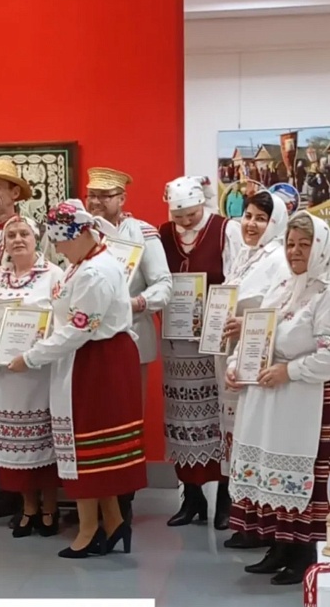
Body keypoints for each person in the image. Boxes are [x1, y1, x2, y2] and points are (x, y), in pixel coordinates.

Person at [8, 199, 146, 558]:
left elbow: (79, 329)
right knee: (85, 445)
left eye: (62, 241)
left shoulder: (95, 273)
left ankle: (88, 529)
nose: (59, 249)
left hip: (98, 362)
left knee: (86, 446)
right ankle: (113, 521)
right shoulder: (82, 264)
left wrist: (31, 357)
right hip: (87, 358)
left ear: (80, 235)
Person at [226, 211, 330, 586]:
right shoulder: (284, 284)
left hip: (305, 398)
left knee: (300, 476)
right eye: (290, 244)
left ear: (321, 247)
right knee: (269, 471)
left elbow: (328, 355)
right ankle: (280, 546)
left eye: (304, 244)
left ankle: (304, 554)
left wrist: (289, 371)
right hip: (269, 398)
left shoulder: (326, 292)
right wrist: (236, 365)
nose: (294, 251)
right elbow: (258, 330)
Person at [0, 158, 54, 519]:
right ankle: (16, 503)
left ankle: (47, 507)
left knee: (42, 437)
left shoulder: (50, 261)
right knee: (0, 434)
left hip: (35, 368)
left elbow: (59, 315)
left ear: (15, 193)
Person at [159, 176, 242, 529]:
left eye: (191, 215)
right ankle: (191, 497)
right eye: (178, 216)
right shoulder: (164, 234)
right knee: (182, 417)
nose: (184, 221)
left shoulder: (225, 230)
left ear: (202, 205)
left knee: (218, 417)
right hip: (178, 342)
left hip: (214, 341)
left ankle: (225, 499)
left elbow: (237, 277)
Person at [216, 191, 289, 547]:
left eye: (261, 218)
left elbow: (279, 312)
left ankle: (262, 526)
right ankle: (246, 521)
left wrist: (245, 324)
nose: (251, 224)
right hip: (234, 357)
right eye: (247, 215)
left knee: (255, 438)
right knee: (239, 438)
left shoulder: (279, 260)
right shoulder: (246, 255)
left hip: (260, 361)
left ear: (276, 223)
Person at [85, 167, 172, 403]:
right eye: (92, 195)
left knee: (127, 408)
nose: (96, 202)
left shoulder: (142, 233)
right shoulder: (80, 232)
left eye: (104, 196)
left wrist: (134, 303)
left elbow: (163, 284)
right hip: (84, 339)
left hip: (131, 335)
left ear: (122, 199)